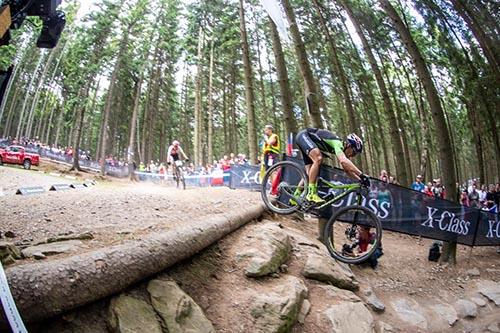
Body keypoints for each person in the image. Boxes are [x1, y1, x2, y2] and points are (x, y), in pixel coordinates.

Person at [295, 128, 368, 203]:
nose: (353, 155)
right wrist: (361, 174)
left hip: (307, 140)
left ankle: (295, 197)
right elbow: (343, 161)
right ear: (349, 145)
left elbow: (347, 169)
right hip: (304, 135)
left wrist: (360, 179)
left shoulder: (341, 148)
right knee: (318, 158)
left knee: (310, 174)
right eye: (354, 152)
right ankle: (311, 194)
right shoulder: (338, 144)